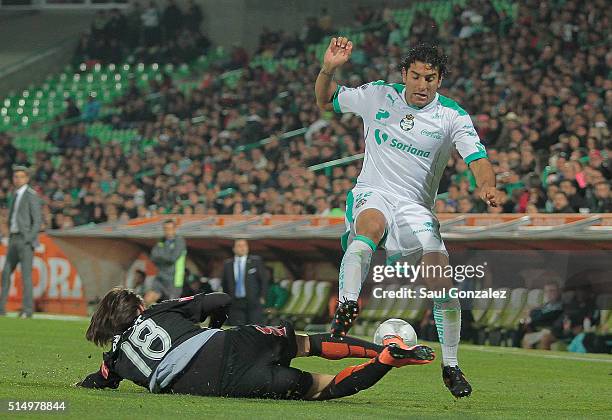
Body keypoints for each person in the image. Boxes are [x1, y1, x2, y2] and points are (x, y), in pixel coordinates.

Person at [314, 38, 505, 398]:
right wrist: (328, 69)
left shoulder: (452, 116)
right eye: (415, 76)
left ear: (440, 80)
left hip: (416, 209)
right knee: (369, 226)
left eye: (430, 78)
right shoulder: (378, 95)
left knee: (442, 286)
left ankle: (451, 366)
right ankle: (348, 303)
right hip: (374, 191)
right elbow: (325, 99)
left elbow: (478, 160)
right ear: (404, 74)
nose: (422, 85)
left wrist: (487, 187)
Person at [76, 287, 435, 399]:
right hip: (232, 345)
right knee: (307, 345)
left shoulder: (116, 357)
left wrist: (80, 384)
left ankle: (385, 360)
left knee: (320, 390)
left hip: (215, 384)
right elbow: (220, 299)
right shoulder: (158, 310)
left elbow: (100, 380)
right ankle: (384, 348)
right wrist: (214, 328)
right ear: (138, 306)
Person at [0, 166, 42, 318]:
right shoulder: (15, 194)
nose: (17, 179)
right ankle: (1, 309)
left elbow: (37, 221)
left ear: (27, 179)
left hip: (24, 239)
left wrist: (28, 239)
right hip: (13, 238)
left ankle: (27, 310)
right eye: (16, 176)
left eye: (21, 176)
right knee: (5, 274)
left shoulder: (31, 195)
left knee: (26, 276)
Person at [222, 239, 268, 325]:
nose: (242, 248)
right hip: (235, 303)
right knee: (237, 329)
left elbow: (264, 280)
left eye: (244, 246)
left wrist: (263, 297)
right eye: (239, 246)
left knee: (253, 329)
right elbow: (224, 284)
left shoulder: (256, 261)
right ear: (234, 249)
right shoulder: (227, 264)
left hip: (253, 302)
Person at [145, 219, 187, 306]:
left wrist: (160, 257)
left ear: (175, 229)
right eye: (165, 229)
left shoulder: (179, 241)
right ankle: (143, 318)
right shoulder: (161, 241)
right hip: (160, 277)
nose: (168, 231)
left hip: (174, 279)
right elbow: (153, 257)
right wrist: (164, 258)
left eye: (170, 228)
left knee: (171, 306)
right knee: (147, 299)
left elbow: (172, 258)